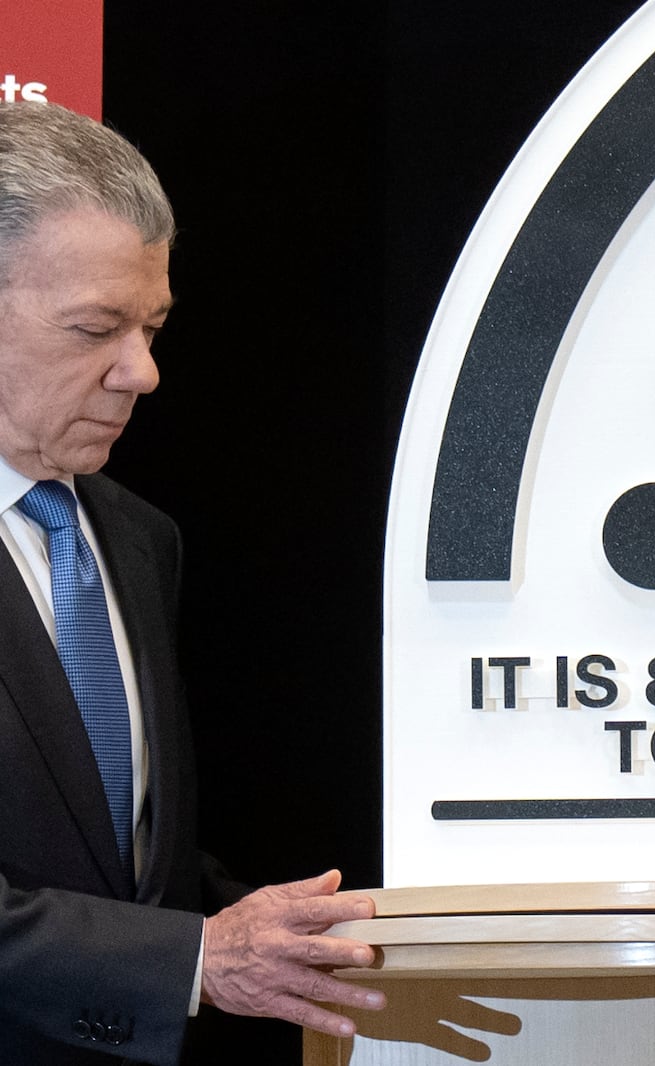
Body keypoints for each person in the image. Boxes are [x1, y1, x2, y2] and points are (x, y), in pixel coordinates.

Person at [0, 101, 386, 1063]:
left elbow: (130, 869)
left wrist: (294, 936)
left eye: (154, 325)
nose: (142, 371)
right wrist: (194, 958)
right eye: (96, 327)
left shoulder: (137, 539)